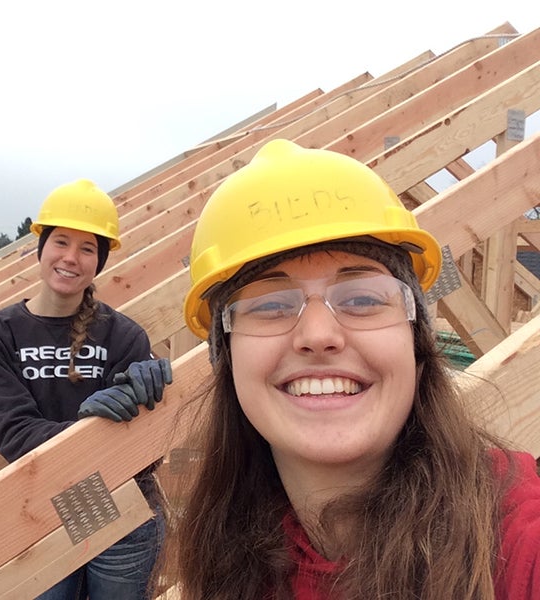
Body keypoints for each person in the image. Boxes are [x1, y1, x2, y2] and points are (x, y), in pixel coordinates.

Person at [161, 139, 540, 599]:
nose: (318, 334)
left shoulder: (515, 545)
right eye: (271, 305)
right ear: (228, 358)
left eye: (361, 298)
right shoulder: (231, 555)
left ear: (415, 343)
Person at [0, 179, 173, 600]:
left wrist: (159, 400)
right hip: (42, 509)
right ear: (39, 248)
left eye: (87, 249)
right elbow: (15, 435)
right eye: (61, 242)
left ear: (98, 262)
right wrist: (89, 425)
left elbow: (144, 455)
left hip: (121, 507)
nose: (71, 258)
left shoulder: (123, 335)